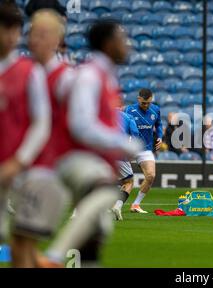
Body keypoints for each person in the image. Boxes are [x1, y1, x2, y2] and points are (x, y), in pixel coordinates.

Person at [39, 19, 142, 268]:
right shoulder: (90, 75)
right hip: (70, 156)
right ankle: (53, 257)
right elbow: (80, 124)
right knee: (107, 190)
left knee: (96, 233)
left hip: (88, 158)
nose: (126, 45)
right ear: (108, 44)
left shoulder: (103, 75)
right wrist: (124, 144)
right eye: (121, 39)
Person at [0, 4, 51, 266]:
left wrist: (19, 160)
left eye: (14, 30)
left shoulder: (30, 72)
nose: (10, 36)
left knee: (21, 243)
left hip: (20, 170)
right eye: (5, 28)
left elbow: (42, 123)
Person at [124, 88, 163, 214]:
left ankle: (135, 205)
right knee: (119, 179)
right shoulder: (129, 110)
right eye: (143, 103)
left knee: (151, 176)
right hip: (129, 146)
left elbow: (159, 124)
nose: (146, 106)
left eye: (148, 103)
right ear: (138, 99)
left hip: (145, 148)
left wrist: (160, 137)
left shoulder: (155, 110)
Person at [111, 110, 141, 221]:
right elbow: (135, 135)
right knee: (129, 182)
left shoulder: (102, 113)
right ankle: (117, 206)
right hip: (119, 153)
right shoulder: (128, 117)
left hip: (103, 154)